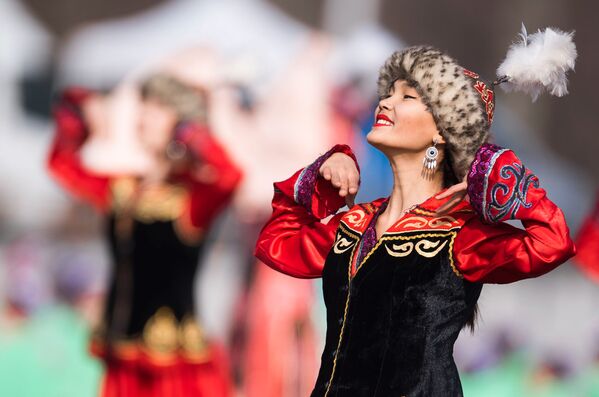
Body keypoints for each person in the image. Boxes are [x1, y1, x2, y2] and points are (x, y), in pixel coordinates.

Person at [255, 27, 577, 396]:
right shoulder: (355, 224)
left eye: (407, 96)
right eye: (387, 94)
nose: (385, 103)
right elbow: (276, 243)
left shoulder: (460, 233)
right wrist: (322, 180)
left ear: (442, 132)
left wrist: (494, 170)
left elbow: (551, 242)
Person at [48, 74, 241, 397]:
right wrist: (80, 111)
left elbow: (230, 178)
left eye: (158, 108)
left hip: (173, 370)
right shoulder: (124, 188)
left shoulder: (191, 197)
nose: (143, 116)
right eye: (144, 106)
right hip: (121, 359)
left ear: (180, 120)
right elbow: (62, 165)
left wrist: (195, 137)